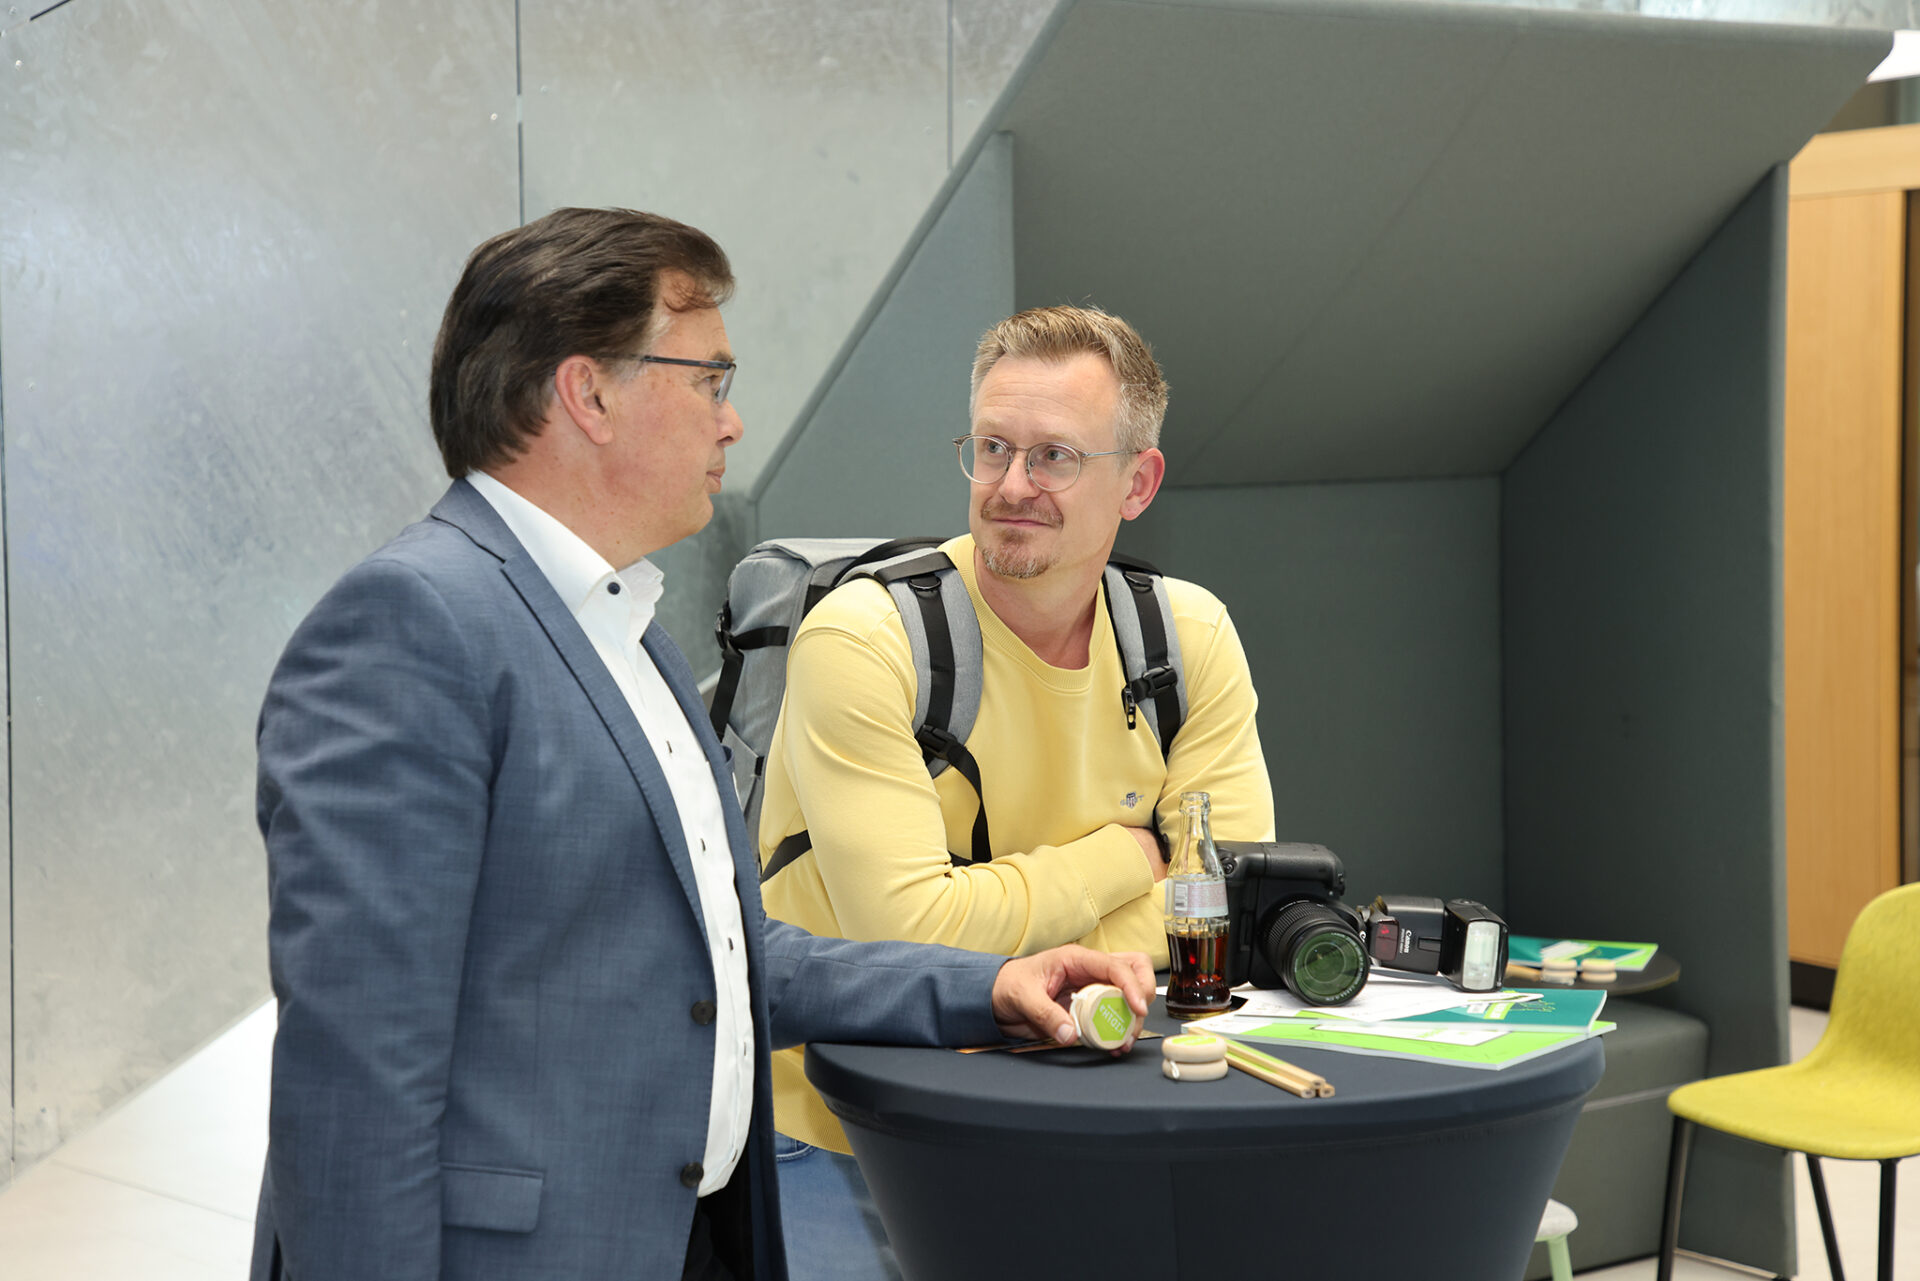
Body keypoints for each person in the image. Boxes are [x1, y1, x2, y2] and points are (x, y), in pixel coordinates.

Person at [250, 209, 1153, 1281]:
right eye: (710, 381)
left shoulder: (630, 636)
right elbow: (357, 1074)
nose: (733, 423)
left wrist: (992, 987)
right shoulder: (412, 625)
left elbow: (723, 957)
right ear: (588, 394)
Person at [756, 305, 1275, 1278]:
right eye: (992, 448)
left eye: (1055, 457)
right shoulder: (865, 640)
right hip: (848, 1129)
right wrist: (1123, 858)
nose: (1011, 486)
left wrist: (1002, 917)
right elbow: (906, 939)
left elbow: (1226, 913)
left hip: (1087, 1112)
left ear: (1138, 482)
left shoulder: (1188, 639)